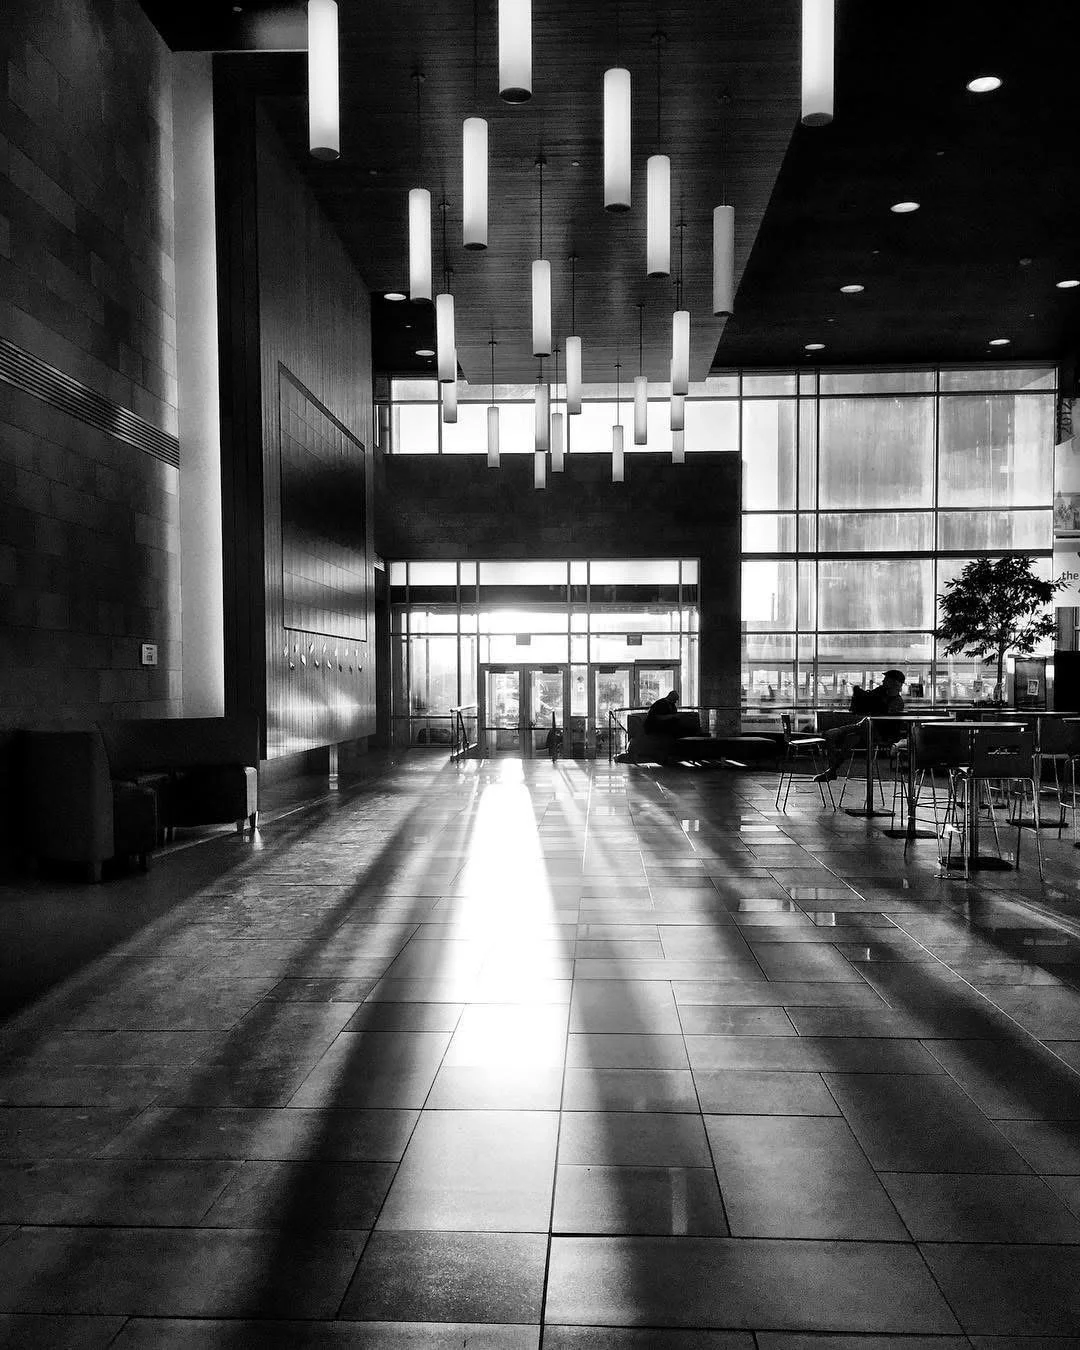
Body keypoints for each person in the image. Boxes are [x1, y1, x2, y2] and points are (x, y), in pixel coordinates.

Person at [814, 669, 906, 782]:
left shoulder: (896, 702)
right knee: (846, 738)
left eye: (886, 679)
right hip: (866, 730)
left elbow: (882, 719)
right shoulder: (882, 694)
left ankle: (832, 768)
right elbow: (868, 705)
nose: (883, 681)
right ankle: (832, 769)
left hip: (878, 733)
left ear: (895, 683)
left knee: (845, 733)